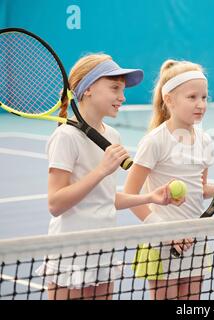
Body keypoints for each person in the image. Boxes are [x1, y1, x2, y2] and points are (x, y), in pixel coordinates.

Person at [36, 54, 184, 300]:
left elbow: (104, 198)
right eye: (115, 88)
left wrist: (150, 197)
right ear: (88, 89)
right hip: (70, 253)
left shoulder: (112, 136)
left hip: (103, 249)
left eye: (123, 90)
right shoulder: (66, 137)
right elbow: (55, 204)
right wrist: (102, 170)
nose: (122, 97)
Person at [124, 59, 214, 300]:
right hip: (161, 242)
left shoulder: (204, 140)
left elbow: (199, 187)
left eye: (204, 97)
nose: (200, 104)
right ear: (169, 100)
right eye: (192, 97)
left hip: (195, 239)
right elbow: (131, 196)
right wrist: (164, 231)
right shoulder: (154, 141)